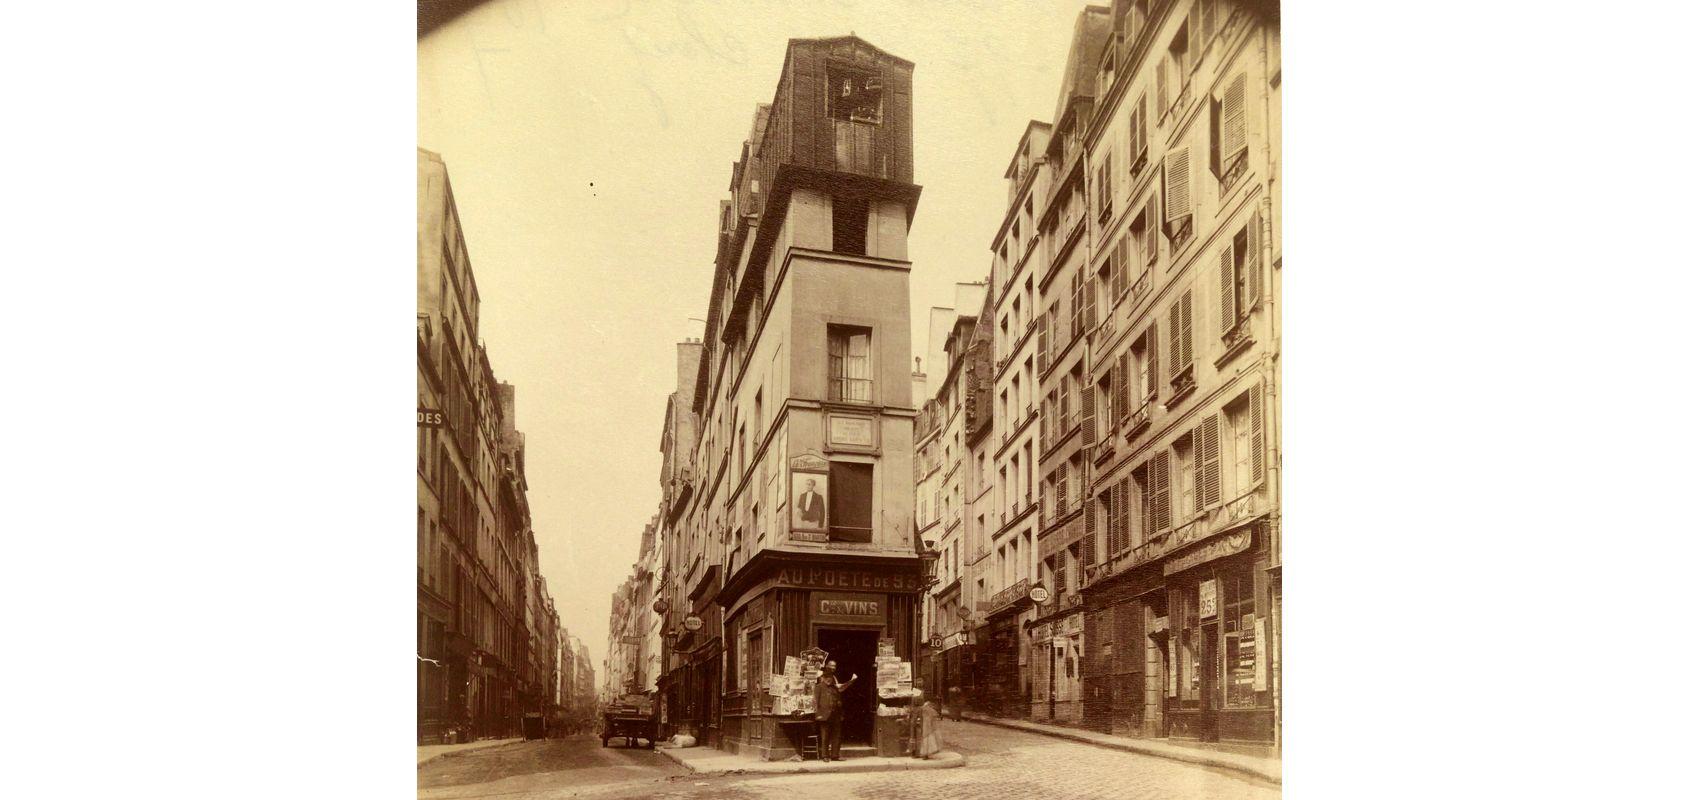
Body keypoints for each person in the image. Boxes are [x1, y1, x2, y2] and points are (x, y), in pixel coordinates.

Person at [814, 661, 857, 761]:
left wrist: (840, 709)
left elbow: (838, 698)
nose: (829, 680)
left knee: (836, 735)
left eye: (830, 678)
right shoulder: (819, 687)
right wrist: (818, 715)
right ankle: (825, 756)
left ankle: (835, 755)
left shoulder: (835, 687)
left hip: (836, 714)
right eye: (826, 678)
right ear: (823, 678)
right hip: (824, 715)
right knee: (825, 736)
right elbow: (815, 702)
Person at [911, 692, 943, 759]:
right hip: (926, 725)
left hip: (924, 725)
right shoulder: (926, 707)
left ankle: (921, 753)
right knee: (926, 738)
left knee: (922, 738)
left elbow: (914, 720)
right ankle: (924, 753)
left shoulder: (920, 708)